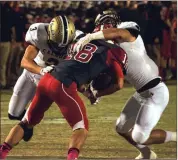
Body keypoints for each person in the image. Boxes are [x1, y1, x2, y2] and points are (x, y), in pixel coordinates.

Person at [0, 32, 127, 159]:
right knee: (81, 127)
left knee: (26, 122)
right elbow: (119, 84)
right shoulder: (116, 52)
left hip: (47, 77)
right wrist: (98, 93)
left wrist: (88, 93)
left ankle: (2, 152)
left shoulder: (88, 41)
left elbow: (75, 68)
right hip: (63, 84)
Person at [72, 10, 177, 159]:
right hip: (141, 92)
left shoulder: (127, 31)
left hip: (156, 91)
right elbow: (110, 78)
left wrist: (91, 36)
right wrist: (95, 91)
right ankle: (147, 154)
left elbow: (119, 33)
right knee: (121, 127)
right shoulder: (110, 49)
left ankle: (175, 136)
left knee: (140, 136)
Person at [7, 15, 76, 141]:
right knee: (13, 113)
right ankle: (25, 122)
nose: (59, 47)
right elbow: (25, 61)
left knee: (31, 117)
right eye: (56, 42)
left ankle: (26, 124)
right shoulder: (39, 34)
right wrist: (41, 70)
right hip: (32, 72)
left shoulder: (76, 43)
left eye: (63, 45)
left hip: (47, 81)